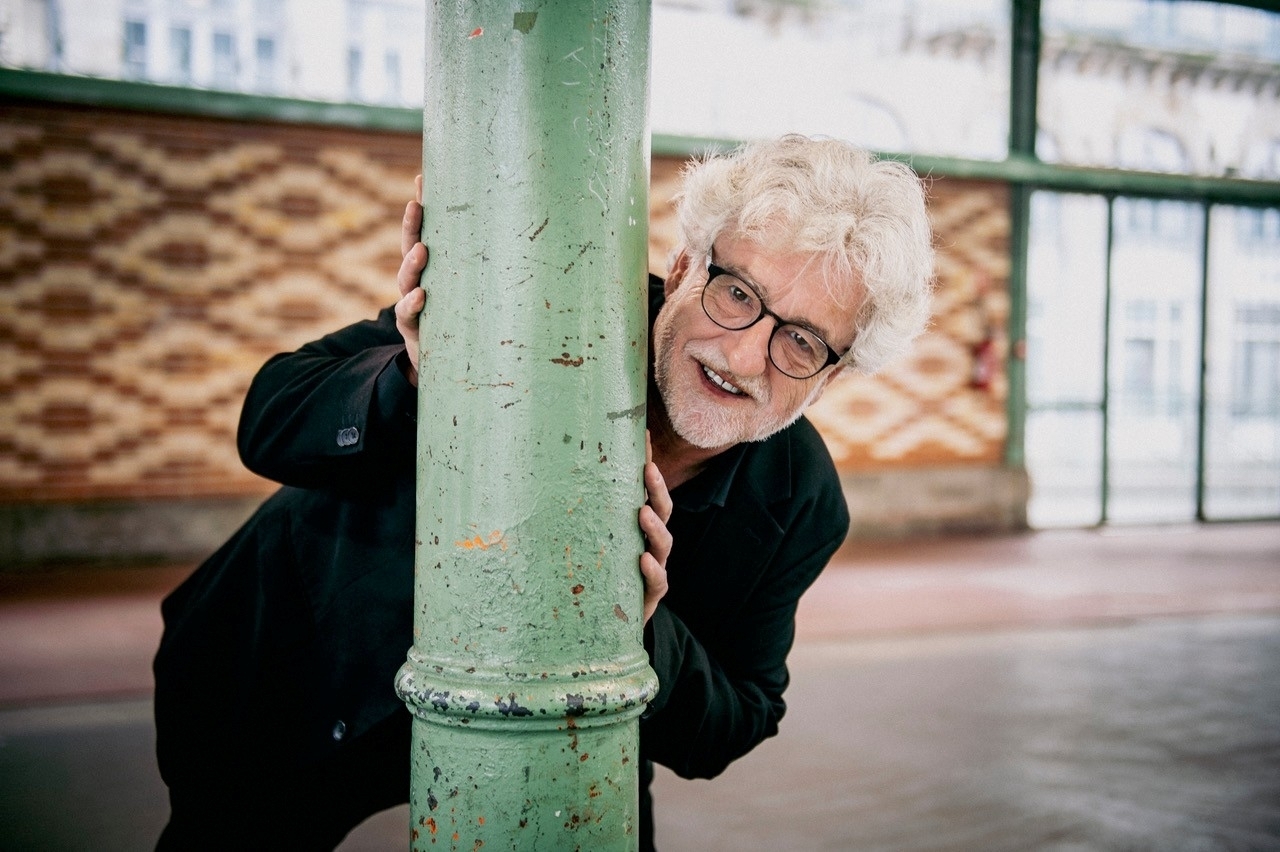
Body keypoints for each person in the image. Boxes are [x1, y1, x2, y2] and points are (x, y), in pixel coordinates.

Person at [152, 134, 934, 850]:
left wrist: (637, 630)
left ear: (830, 378)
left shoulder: (802, 502)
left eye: (801, 341)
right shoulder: (548, 302)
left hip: (569, 715)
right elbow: (269, 420)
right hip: (285, 660)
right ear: (684, 267)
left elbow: (736, 721)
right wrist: (423, 378)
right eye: (736, 293)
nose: (745, 355)